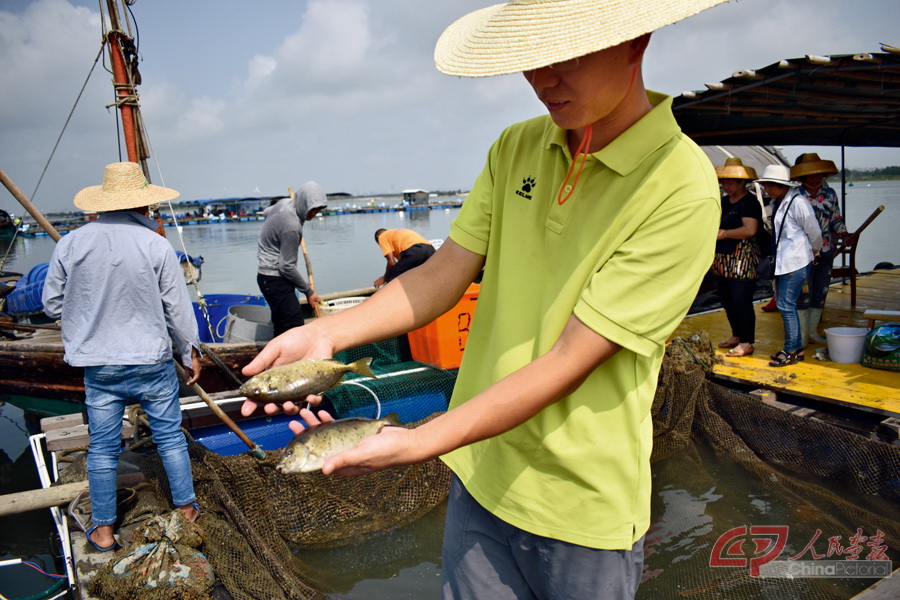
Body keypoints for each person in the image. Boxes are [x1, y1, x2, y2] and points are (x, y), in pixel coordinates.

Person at [241, 0, 727, 597]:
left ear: (636, 40)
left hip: (580, 504)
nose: (542, 79)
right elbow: (439, 275)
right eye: (531, 57)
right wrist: (329, 335)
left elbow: (569, 360)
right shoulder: (516, 148)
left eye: (567, 53)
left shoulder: (680, 187)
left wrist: (421, 440)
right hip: (479, 470)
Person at [42, 162, 202, 552]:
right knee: (169, 439)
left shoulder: (71, 243)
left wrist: (85, 307)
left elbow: (50, 304)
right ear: (144, 205)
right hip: (152, 361)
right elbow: (178, 311)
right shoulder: (156, 245)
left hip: (100, 366)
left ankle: (103, 531)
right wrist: (191, 352)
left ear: (102, 203)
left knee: (102, 449)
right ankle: (185, 511)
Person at [755, 165, 822, 367]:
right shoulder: (780, 201)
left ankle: (792, 350)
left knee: (786, 305)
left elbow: (815, 232)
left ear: (780, 186)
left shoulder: (798, 202)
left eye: (768, 186)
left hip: (796, 261)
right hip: (786, 261)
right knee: (786, 305)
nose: (766, 189)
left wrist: (814, 251)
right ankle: (795, 349)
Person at [255, 182, 326, 336]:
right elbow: (286, 266)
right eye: (311, 209)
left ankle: (278, 358)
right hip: (274, 278)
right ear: (303, 203)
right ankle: (289, 359)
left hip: (266, 278)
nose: (313, 215)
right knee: (294, 329)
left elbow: (266, 212)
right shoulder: (292, 226)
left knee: (282, 327)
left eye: (317, 210)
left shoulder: (284, 203)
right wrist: (308, 291)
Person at [791, 153, 847, 344]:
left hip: (825, 251)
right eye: (811, 174)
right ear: (803, 177)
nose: (815, 178)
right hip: (803, 254)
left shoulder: (830, 194)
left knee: (821, 290)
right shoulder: (796, 196)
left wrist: (844, 232)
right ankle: (803, 335)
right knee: (803, 292)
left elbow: (836, 220)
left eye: (819, 175)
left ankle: (813, 331)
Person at [712, 158, 761, 357]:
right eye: (723, 182)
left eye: (729, 182)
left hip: (742, 259)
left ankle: (747, 341)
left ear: (741, 183)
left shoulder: (749, 202)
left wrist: (723, 233)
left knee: (742, 300)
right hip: (723, 258)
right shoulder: (724, 201)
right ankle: (736, 334)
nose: (725, 185)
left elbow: (750, 230)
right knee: (726, 298)